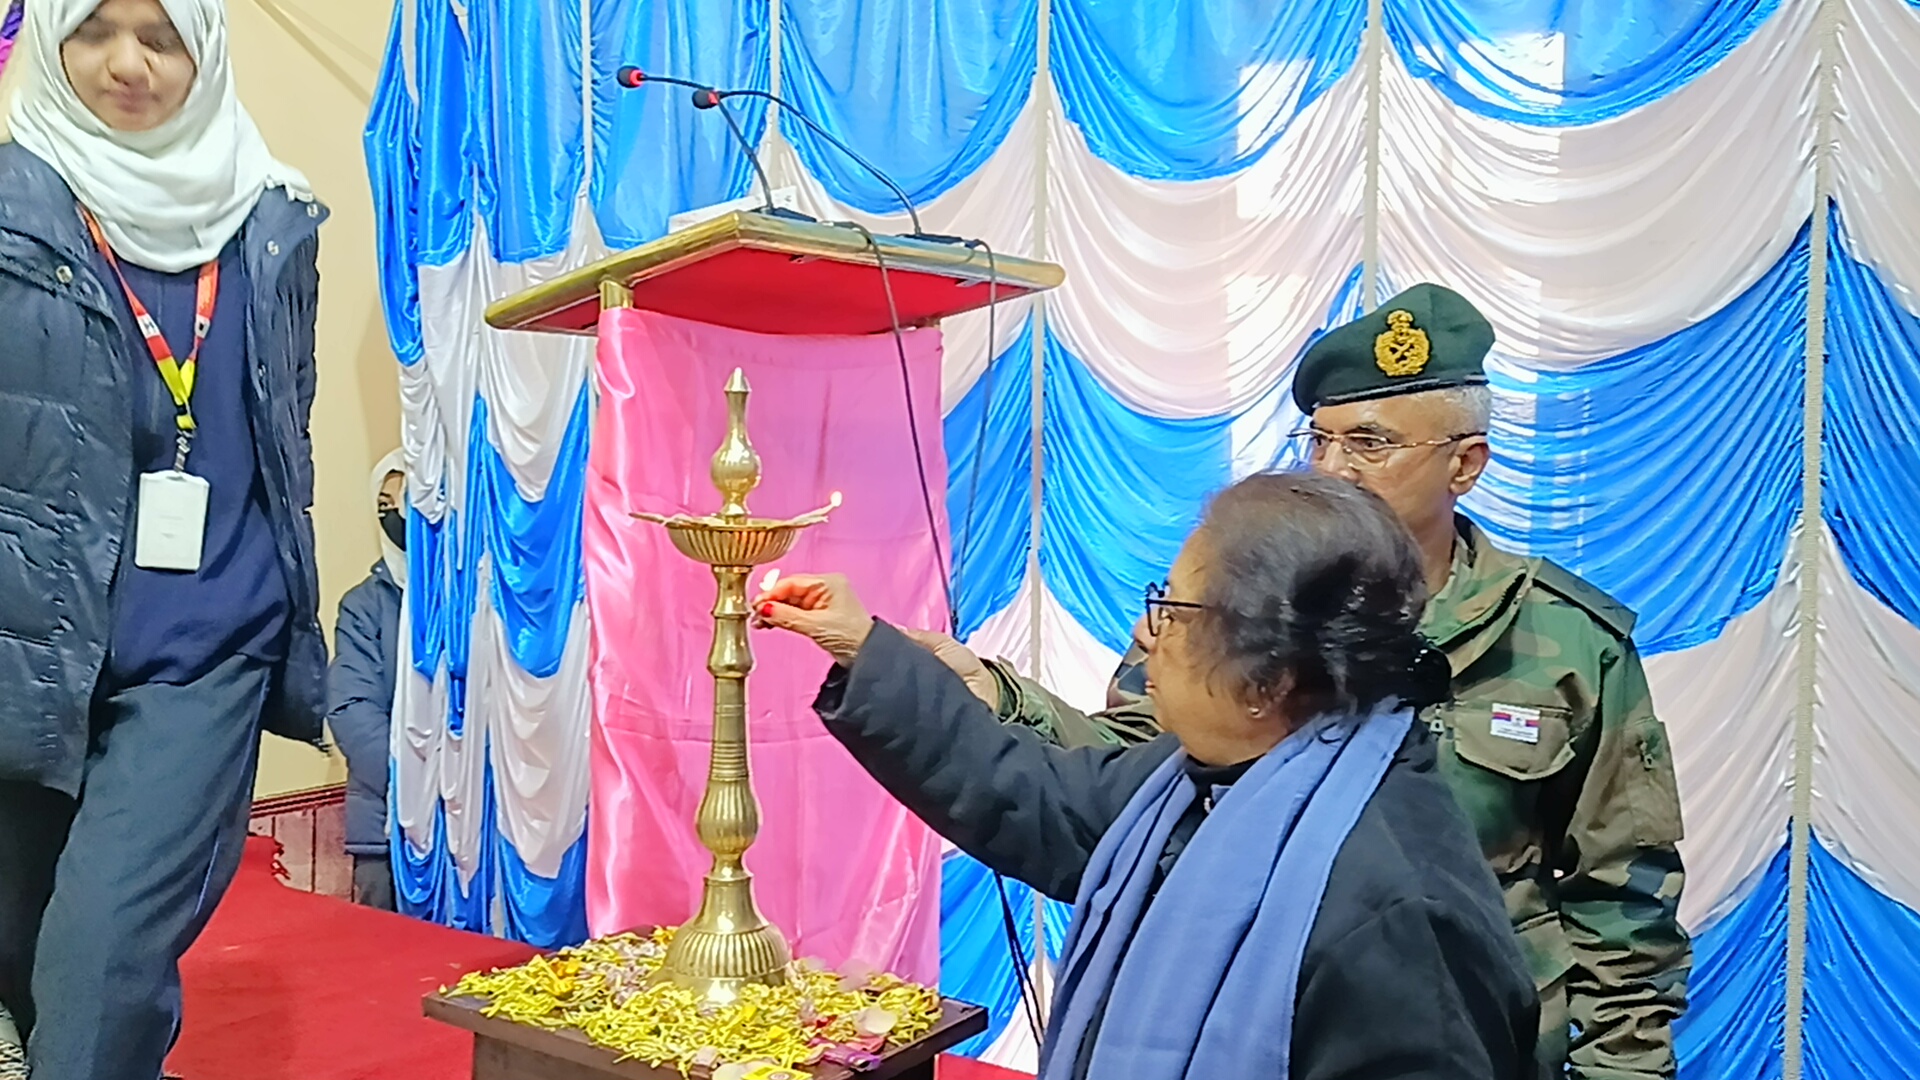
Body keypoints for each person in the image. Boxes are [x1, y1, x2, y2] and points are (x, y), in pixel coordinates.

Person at [931, 283, 1690, 1078]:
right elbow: (1131, 771)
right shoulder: (1232, 603)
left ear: (1465, 463)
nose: (1334, 470)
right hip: (1254, 1017)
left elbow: (1623, 906)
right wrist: (1000, 697)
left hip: (1477, 1040)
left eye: (1369, 443)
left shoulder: (1567, 642)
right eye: (1319, 441)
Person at [757, 472, 1542, 1080]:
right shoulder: (1201, 781)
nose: (1146, 631)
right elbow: (1033, 793)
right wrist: (865, 648)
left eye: (1174, 611)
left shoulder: (1399, 911)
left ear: (1268, 680)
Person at [0, 0, 327, 1076]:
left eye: (162, 35)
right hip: (29, 644)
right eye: (94, 28)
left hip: (206, 645)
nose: (127, 62)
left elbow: (280, 424)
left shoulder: (274, 223)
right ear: (50, 39)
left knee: (100, 964)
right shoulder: (13, 207)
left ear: (206, 50)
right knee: (24, 957)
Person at [328, 452, 407, 911]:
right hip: (385, 829)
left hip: (475, 829)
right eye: (383, 505)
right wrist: (417, 783)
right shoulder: (365, 606)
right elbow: (352, 708)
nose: (395, 515)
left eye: (406, 500)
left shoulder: (476, 598)